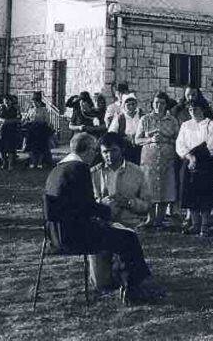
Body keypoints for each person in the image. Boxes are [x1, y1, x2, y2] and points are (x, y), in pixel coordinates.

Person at [43, 133, 164, 303]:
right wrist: (106, 209)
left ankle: (135, 284)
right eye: (98, 151)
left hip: (55, 236)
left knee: (127, 235)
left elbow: (73, 206)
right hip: (76, 236)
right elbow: (87, 208)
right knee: (128, 240)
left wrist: (124, 204)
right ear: (91, 150)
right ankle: (136, 289)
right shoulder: (80, 169)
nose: (98, 156)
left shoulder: (58, 169)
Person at [175, 99, 213, 236]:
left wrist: (197, 156)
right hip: (188, 162)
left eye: (196, 109)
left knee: (205, 195)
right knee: (190, 194)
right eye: (190, 109)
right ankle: (195, 224)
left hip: (205, 163)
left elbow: (211, 145)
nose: (193, 112)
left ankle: (205, 225)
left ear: (203, 109)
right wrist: (189, 157)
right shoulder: (185, 125)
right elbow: (180, 144)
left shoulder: (211, 124)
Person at [135, 93, 180, 230]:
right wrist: (150, 139)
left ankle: (159, 219)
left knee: (165, 188)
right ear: (152, 104)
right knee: (149, 188)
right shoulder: (145, 119)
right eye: (156, 103)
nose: (158, 106)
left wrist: (166, 139)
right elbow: (137, 140)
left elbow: (178, 140)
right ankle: (150, 218)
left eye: (162, 103)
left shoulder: (172, 121)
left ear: (166, 105)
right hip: (150, 159)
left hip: (167, 159)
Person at [107, 94, 142, 164]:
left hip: (140, 147)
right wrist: (124, 138)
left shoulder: (141, 116)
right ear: (124, 106)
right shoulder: (120, 118)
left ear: (136, 104)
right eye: (128, 105)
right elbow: (112, 133)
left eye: (133, 104)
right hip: (126, 148)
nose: (131, 107)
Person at [0, 95, 22, 170]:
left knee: (11, 148)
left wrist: (10, 121)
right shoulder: (0, 108)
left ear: (11, 101)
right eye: (5, 100)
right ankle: (4, 162)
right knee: (2, 147)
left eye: (8, 100)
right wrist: (2, 121)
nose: (7, 101)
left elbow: (19, 119)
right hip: (2, 130)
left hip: (11, 130)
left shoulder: (15, 109)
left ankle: (10, 164)